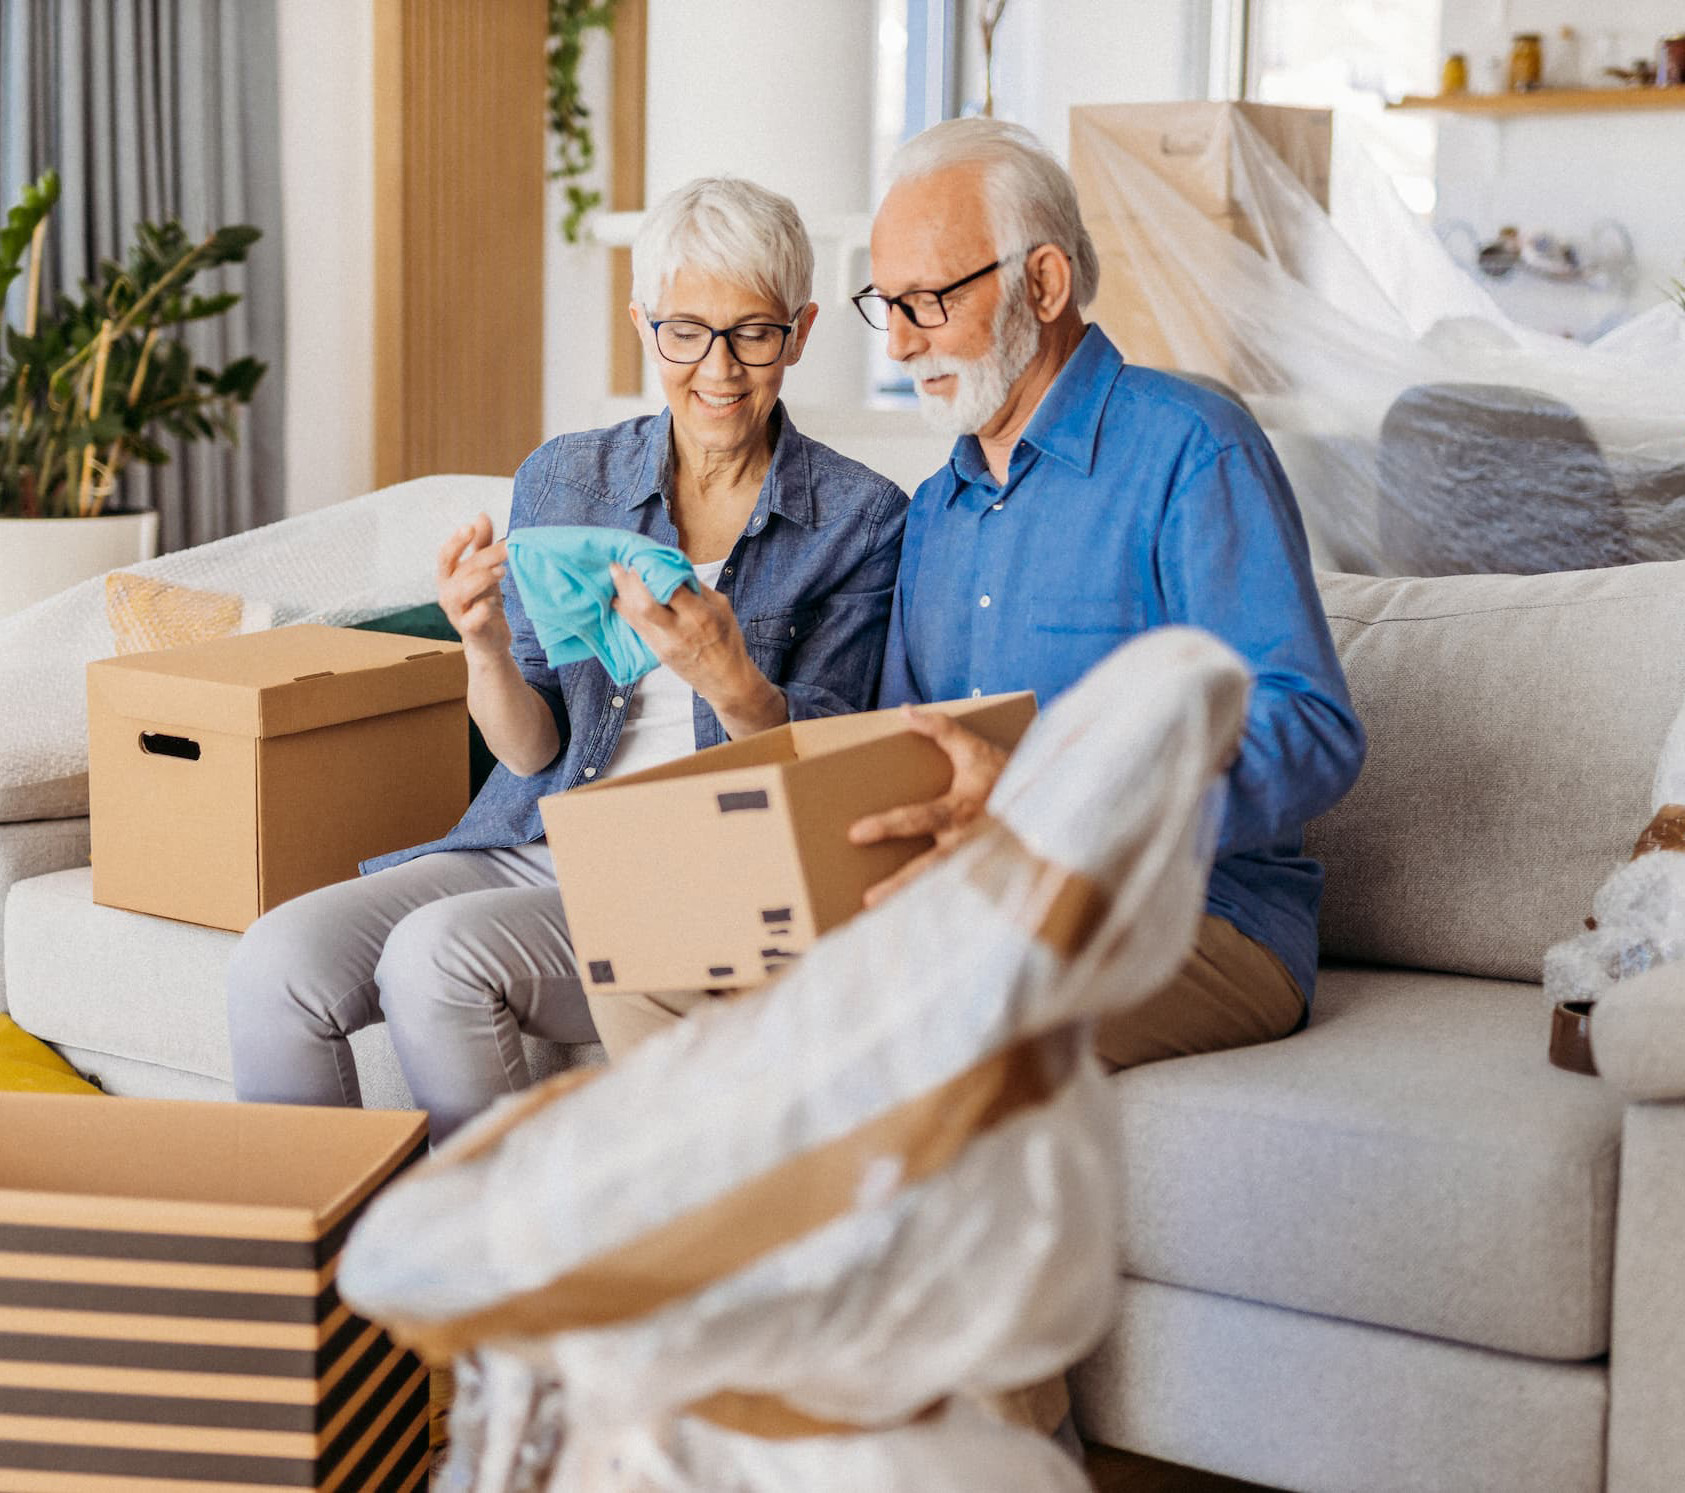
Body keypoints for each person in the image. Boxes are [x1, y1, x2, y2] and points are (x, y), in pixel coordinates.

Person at [226, 177, 907, 1141]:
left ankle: (495, 1278)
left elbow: (836, 771)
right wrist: (484, 646)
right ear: (642, 325)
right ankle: (329, 1277)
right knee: (275, 960)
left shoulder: (859, 517)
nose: (718, 367)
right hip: (536, 841)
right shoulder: (567, 476)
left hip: (705, 869)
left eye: (751, 332)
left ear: (797, 333)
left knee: (433, 956)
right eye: (685, 330)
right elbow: (533, 751)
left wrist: (735, 684)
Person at [850, 117, 1364, 1075]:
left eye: (927, 301)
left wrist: (1070, 806)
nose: (902, 343)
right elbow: (905, 750)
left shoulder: (1191, 448)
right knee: (714, 998)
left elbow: (1314, 729)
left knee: (920, 1030)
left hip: (1196, 915)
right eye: (886, 305)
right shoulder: (934, 511)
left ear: (1041, 283)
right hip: (982, 906)